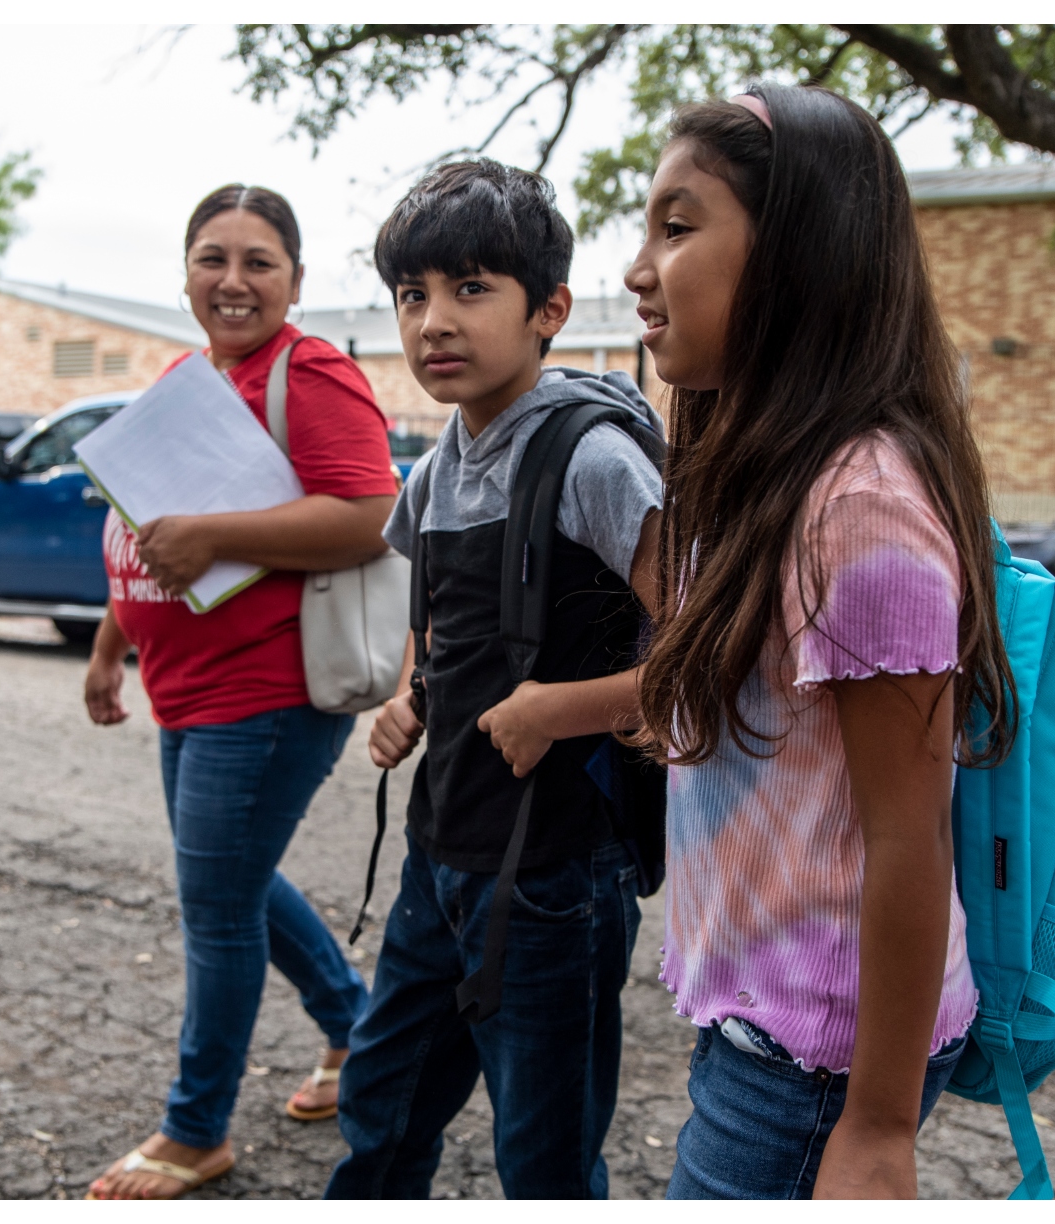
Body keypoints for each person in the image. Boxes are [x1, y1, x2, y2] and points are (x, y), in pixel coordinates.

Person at [626, 86, 1014, 1199]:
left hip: (815, 1062)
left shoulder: (859, 507)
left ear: (800, 254)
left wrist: (879, 1128)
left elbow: (908, 832)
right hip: (769, 1026)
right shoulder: (772, 480)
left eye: (678, 224)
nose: (638, 269)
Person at [324, 159, 665, 1200]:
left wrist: (567, 710)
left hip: (559, 870)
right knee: (382, 1105)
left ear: (548, 308)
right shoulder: (430, 469)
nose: (434, 320)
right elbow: (443, 628)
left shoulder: (595, 461)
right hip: (441, 851)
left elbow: (711, 649)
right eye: (413, 295)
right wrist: (408, 699)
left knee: (544, 1155)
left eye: (471, 289)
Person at [82, 184, 401, 1200]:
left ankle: (194, 1131)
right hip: (183, 688)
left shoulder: (309, 374)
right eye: (212, 258)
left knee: (216, 906)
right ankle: (357, 1033)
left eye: (258, 261)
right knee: (237, 886)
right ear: (184, 276)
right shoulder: (188, 378)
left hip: (265, 697)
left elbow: (368, 515)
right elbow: (141, 529)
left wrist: (219, 535)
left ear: (294, 282)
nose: (233, 280)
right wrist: (108, 647)